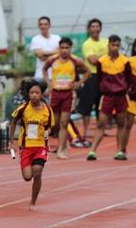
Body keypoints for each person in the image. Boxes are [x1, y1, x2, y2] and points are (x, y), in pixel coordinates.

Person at [9, 79, 55, 209]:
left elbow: (50, 126)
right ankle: (26, 167)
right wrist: (11, 141)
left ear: (41, 94)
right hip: (26, 147)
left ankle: (33, 202)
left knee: (38, 171)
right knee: (28, 177)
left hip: (41, 146)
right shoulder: (23, 109)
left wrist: (48, 132)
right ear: (28, 94)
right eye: (32, 92)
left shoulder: (47, 110)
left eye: (37, 92)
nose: (34, 95)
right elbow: (13, 123)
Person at [43, 37, 90, 159]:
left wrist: (78, 84)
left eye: (67, 48)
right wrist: (48, 83)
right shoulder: (52, 60)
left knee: (64, 123)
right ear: (59, 48)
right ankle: (63, 145)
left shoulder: (75, 60)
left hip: (68, 94)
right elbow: (44, 69)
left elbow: (87, 71)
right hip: (55, 94)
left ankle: (61, 149)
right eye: (62, 48)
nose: (64, 50)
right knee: (55, 123)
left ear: (70, 48)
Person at [87, 35, 129, 161]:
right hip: (107, 96)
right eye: (112, 45)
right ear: (108, 45)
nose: (115, 47)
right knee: (101, 123)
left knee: (121, 123)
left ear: (119, 46)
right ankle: (92, 151)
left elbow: (128, 78)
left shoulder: (125, 61)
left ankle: (119, 151)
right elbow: (99, 77)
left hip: (121, 96)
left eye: (117, 45)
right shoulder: (101, 61)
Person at [77, 18, 109, 138]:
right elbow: (93, 61)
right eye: (93, 26)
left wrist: (102, 57)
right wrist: (106, 56)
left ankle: (101, 129)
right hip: (91, 76)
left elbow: (113, 56)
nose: (95, 29)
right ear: (89, 29)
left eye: (97, 26)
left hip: (105, 76)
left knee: (102, 105)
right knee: (87, 104)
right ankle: (86, 131)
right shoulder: (87, 44)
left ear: (100, 28)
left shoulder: (106, 41)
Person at [30, 16, 60, 81]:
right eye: (41, 24)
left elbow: (60, 53)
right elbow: (41, 57)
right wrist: (54, 53)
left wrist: (45, 53)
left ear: (49, 25)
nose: (43, 26)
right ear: (38, 26)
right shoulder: (35, 39)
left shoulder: (57, 38)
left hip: (56, 75)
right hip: (40, 76)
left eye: (45, 24)